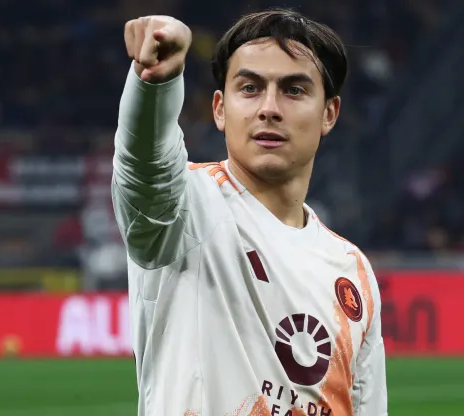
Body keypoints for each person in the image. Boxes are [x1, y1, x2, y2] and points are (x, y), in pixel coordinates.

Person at [113, 9, 387, 415]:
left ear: (329, 113)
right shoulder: (184, 210)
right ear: (220, 109)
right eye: (250, 88)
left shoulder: (352, 271)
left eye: (294, 90)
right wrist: (158, 83)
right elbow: (144, 167)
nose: (270, 108)